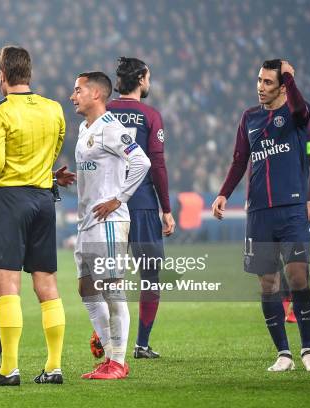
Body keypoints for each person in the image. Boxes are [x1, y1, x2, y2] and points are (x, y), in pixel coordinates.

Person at [212, 60, 310, 372]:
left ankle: (309, 350)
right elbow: (239, 160)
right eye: (259, 81)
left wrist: (289, 76)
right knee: (268, 284)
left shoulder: (298, 116)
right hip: (259, 213)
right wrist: (224, 193)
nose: (261, 87)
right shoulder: (249, 117)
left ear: (283, 85)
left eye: (268, 83)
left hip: (291, 210)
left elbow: (301, 109)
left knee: (298, 276)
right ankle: (284, 354)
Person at [0, 45, 75, 386]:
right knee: (47, 283)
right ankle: (54, 366)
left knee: (7, 286)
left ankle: (9, 368)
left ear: (2, 74)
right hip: (44, 199)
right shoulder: (53, 108)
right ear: (29, 72)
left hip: (11, 198)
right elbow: (57, 146)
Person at [70, 72, 151, 380]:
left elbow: (141, 162)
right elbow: (98, 171)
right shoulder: (84, 128)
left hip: (108, 221)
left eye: (78, 90)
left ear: (96, 95)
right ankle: (109, 352)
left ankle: (118, 360)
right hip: (87, 222)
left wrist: (119, 198)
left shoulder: (112, 128)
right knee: (86, 288)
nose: (72, 95)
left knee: (112, 289)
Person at [107, 57, 175, 358]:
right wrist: (167, 208)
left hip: (108, 205)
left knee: (109, 277)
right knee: (149, 276)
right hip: (143, 204)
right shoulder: (150, 115)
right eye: (148, 77)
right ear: (142, 79)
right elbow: (157, 163)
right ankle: (141, 344)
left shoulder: (104, 111)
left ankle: (109, 343)